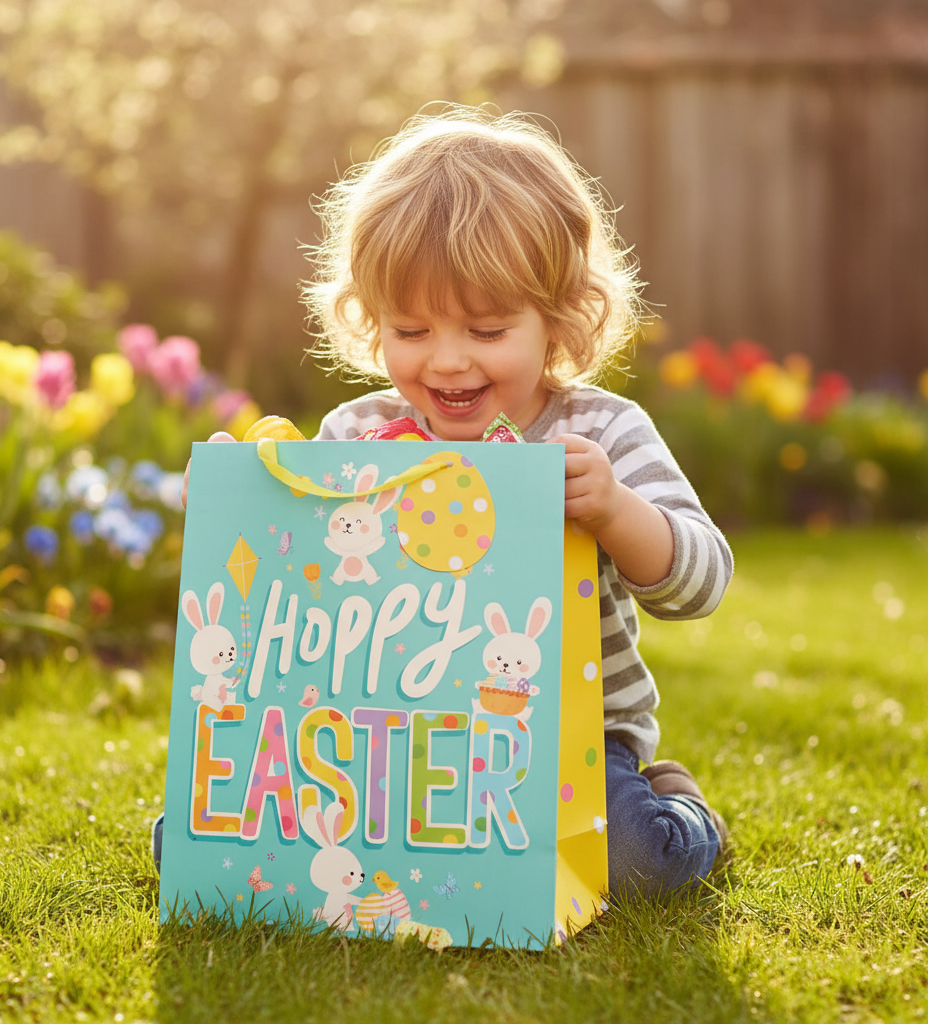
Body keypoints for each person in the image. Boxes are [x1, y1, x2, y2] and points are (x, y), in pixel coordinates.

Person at [162, 106, 732, 898]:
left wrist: (615, 513)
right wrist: (236, 499)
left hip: (562, 747)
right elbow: (293, 572)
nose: (447, 359)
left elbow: (702, 581)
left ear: (559, 318)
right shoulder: (354, 433)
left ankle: (680, 804)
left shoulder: (598, 430)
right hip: (389, 744)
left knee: (637, 860)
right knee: (188, 836)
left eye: (488, 330)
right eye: (411, 328)